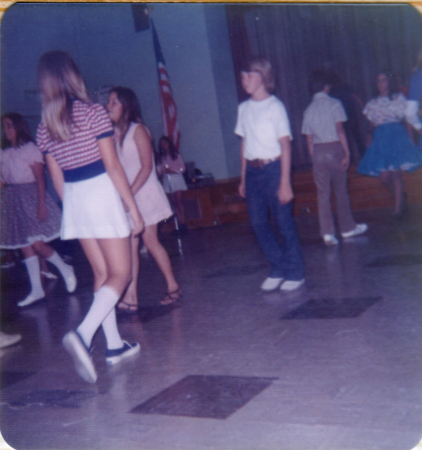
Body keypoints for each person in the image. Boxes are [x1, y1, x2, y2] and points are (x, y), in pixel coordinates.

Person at [36, 51, 144, 383]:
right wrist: (133, 210)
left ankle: (113, 346)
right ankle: (83, 334)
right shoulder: (94, 113)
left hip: (75, 199)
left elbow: (56, 179)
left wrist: (73, 212)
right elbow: (112, 166)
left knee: (101, 273)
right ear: (72, 77)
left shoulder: (44, 127)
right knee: (121, 273)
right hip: (100, 193)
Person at [107, 87, 181, 308]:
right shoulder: (113, 134)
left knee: (150, 241)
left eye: (114, 103)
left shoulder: (138, 130)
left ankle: (173, 287)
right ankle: (131, 296)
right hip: (129, 195)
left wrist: (128, 194)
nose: (108, 106)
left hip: (145, 193)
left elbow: (147, 167)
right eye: (108, 102)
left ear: (126, 107)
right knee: (131, 245)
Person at [235, 57, 304, 292]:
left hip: (274, 170)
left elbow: (285, 145)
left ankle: (295, 272)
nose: (245, 80)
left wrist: (285, 182)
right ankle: (278, 268)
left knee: (284, 222)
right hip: (253, 173)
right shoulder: (243, 109)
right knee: (257, 222)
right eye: (243, 76)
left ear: (264, 78)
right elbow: (244, 144)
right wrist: (243, 177)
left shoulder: (275, 107)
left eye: (250, 76)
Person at [1, 113, 77, 307]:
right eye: (4, 126)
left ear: (19, 127)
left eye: (10, 125)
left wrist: (41, 204)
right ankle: (36, 289)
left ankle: (65, 269)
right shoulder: (4, 152)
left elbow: (40, 179)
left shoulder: (29, 149)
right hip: (12, 199)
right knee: (24, 245)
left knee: (37, 244)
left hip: (30, 197)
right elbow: (3, 179)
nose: (6, 129)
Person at [302, 70, 368, 246]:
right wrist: (347, 153)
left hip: (317, 152)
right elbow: (340, 130)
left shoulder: (308, 109)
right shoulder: (334, 104)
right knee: (340, 190)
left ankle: (327, 233)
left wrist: (314, 157)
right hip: (334, 148)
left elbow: (308, 138)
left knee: (323, 193)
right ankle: (347, 228)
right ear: (326, 86)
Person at [358, 72, 422, 218]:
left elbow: (407, 119)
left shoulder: (398, 98)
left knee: (396, 173)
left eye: (384, 80)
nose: (381, 84)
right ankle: (401, 199)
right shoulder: (373, 102)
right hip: (381, 137)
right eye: (378, 81)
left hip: (396, 135)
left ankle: (397, 210)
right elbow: (371, 125)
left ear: (389, 82)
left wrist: (410, 139)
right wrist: (369, 135)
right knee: (385, 178)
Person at [156, 136, 188, 230]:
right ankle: (177, 224)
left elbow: (182, 168)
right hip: (167, 181)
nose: (163, 145)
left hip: (176, 179)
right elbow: (160, 171)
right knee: (172, 203)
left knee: (179, 202)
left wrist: (172, 170)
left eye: (165, 143)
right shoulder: (162, 157)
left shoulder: (176, 155)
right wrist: (160, 169)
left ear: (169, 144)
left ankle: (183, 224)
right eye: (161, 144)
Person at [405, 50, 422, 148]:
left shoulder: (416, 78)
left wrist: (420, 128)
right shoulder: (416, 78)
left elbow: (410, 114)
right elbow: (409, 114)